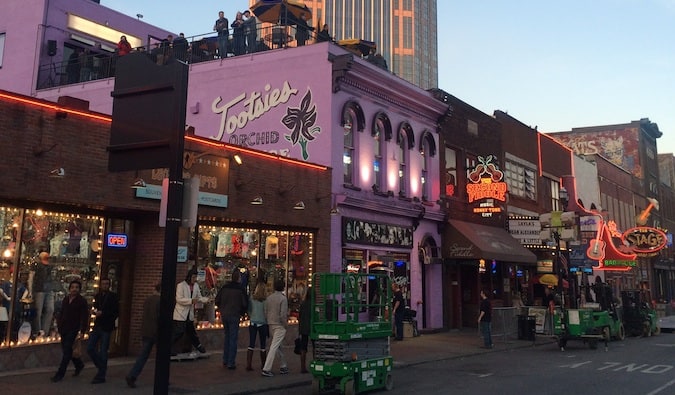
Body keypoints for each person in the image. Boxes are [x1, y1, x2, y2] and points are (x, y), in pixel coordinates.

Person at [51, 280, 88, 383]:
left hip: (74, 328)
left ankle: (60, 374)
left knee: (67, 351)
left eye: (77, 287)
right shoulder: (66, 299)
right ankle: (79, 364)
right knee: (67, 350)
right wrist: (59, 324)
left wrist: (83, 330)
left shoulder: (82, 301)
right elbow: (62, 312)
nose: (74, 289)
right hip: (64, 328)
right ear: (69, 288)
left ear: (79, 289)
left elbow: (85, 316)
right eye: (73, 287)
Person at [125, 282, 161, 388]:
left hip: (146, 331)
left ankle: (132, 375)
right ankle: (161, 378)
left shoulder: (148, 300)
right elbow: (159, 318)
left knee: (143, 355)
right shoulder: (160, 301)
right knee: (161, 357)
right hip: (156, 331)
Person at [87, 278, 119, 384]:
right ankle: (101, 367)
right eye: (103, 284)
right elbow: (95, 308)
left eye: (107, 284)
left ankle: (101, 374)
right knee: (90, 348)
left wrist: (103, 313)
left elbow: (115, 312)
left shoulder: (113, 297)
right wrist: (94, 311)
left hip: (106, 326)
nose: (105, 285)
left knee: (103, 350)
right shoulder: (98, 296)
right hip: (98, 325)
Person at [171, 269, 209, 357]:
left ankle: (198, 346)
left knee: (191, 332)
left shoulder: (195, 286)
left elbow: (199, 297)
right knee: (179, 332)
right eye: (193, 277)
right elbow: (179, 299)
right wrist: (191, 301)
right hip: (181, 313)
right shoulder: (181, 286)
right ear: (189, 277)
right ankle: (169, 347)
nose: (195, 279)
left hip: (189, 314)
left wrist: (206, 300)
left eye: (196, 277)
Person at [215, 268, 247, 369]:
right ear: (238, 278)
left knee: (227, 337)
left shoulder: (225, 287)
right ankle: (231, 362)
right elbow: (245, 303)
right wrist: (242, 313)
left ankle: (225, 359)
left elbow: (217, 300)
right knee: (233, 338)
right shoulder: (240, 289)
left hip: (225, 314)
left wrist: (221, 309)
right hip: (234, 315)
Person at [261, 279, 288, 377]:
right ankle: (266, 368)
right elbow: (283, 315)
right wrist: (285, 325)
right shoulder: (283, 299)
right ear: (283, 287)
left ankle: (283, 365)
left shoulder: (269, 298)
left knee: (278, 346)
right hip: (279, 325)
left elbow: (265, 311)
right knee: (274, 346)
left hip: (270, 324)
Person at [32, 252, 55, 338]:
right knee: (38, 311)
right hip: (39, 289)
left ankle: (44, 332)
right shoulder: (36, 265)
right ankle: (38, 332)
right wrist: (31, 291)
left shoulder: (50, 266)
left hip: (49, 289)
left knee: (50, 309)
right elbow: (32, 277)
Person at [246, 281, 268, 371]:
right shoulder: (265, 300)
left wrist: (251, 316)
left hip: (253, 322)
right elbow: (266, 312)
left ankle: (249, 364)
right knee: (263, 345)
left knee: (251, 344)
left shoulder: (252, 298)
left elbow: (249, 310)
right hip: (262, 323)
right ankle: (263, 365)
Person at [297, 293, 311, 373]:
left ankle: (303, 367)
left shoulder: (303, 304)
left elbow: (300, 315)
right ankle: (315, 363)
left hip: (303, 327)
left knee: (303, 347)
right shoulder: (313, 304)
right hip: (312, 327)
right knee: (315, 347)